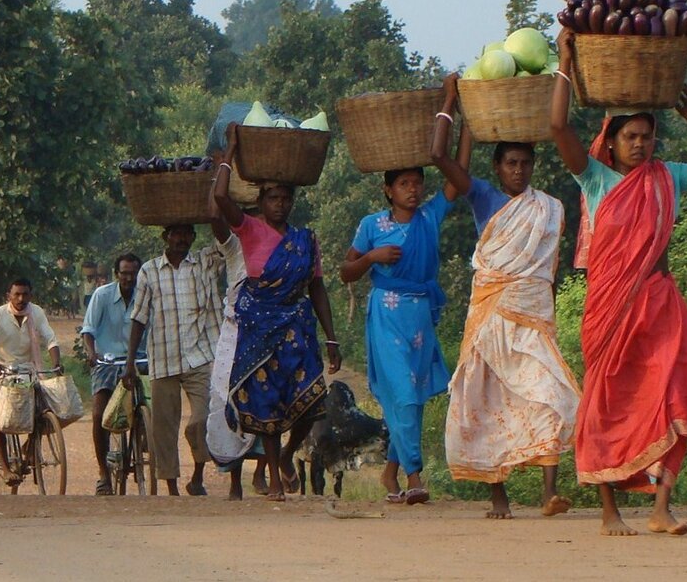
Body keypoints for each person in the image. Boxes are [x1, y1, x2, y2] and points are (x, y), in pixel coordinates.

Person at [549, 28, 687, 536]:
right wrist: (565, 60)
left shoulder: (668, 176)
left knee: (672, 390)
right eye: (629, 137)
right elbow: (556, 126)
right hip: (609, 309)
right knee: (607, 398)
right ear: (610, 142)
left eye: (646, 136)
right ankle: (609, 510)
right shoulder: (595, 178)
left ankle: (661, 506)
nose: (638, 145)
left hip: (659, 302)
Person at [432, 73, 581, 519]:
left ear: (533, 166)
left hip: (531, 320)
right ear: (497, 168)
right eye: (510, 164)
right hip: (491, 320)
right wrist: (450, 101)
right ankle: (499, 498)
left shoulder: (548, 206)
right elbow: (439, 155)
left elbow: (545, 269)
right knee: (486, 399)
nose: (518, 170)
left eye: (525, 164)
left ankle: (549, 492)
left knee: (550, 394)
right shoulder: (483, 197)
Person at [212, 126, 342, 502]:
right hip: (258, 325)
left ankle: (287, 454)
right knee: (265, 400)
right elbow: (220, 196)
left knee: (309, 399)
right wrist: (231, 153)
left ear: (292, 201)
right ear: (262, 201)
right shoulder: (248, 229)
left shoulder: (306, 240)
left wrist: (330, 336)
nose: (280, 204)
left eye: (285, 198)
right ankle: (271, 475)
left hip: (296, 325)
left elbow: (317, 286)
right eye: (273, 198)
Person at [339, 165, 450, 506]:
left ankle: (390, 472)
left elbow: (456, 182)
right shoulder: (372, 225)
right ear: (388, 189)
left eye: (417, 183)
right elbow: (346, 272)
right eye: (403, 184)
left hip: (419, 319)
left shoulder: (430, 217)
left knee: (412, 400)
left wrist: (452, 117)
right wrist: (372, 257)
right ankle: (414, 476)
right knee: (402, 393)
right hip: (386, 317)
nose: (412, 190)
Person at [123, 224, 223, 497]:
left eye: (186, 234)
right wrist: (130, 362)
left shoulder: (205, 262)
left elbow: (226, 237)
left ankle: (198, 476)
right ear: (165, 237)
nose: (181, 239)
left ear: (193, 236)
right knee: (164, 428)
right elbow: (139, 317)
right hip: (163, 358)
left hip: (199, 356)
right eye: (175, 234)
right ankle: (172, 488)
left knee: (202, 419)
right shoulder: (150, 271)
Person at [203, 179, 268, 500]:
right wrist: (221, 171)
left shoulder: (276, 242)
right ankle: (235, 481)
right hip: (235, 331)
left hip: (266, 331)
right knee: (230, 403)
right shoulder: (233, 246)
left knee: (269, 399)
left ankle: (262, 472)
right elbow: (216, 218)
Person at [0, 277, 62, 485]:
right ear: (9, 296)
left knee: (45, 411)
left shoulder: (37, 313)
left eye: (25, 294)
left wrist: (56, 363)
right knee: (0, 417)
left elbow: (50, 339)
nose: (21, 298)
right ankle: (6, 466)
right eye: (16, 294)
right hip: (1, 374)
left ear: (30, 295)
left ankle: (28, 448)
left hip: (28, 372)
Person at [80, 253, 146, 495]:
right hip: (108, 362)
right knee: (99, 414)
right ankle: (103, 473)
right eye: (124, 273)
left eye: (133, 273)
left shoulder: (146, 295)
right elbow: (88, 330)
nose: (129, 278)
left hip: (140, 360)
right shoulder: (102, 295)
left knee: (154, 404)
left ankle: (144, 439)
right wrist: (91, 353)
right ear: (116, 274)